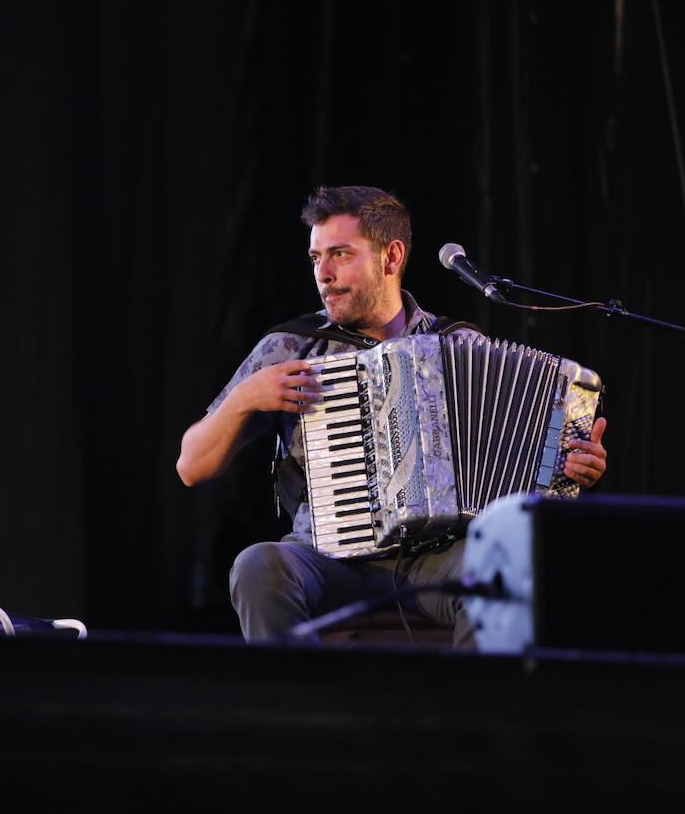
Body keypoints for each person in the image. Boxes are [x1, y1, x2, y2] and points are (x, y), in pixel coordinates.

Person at [176, 185, 607, 646]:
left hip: (438, 556)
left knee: (510, 571)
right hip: (326, 557)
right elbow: (191, 466)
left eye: (340, 254)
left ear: (391, 256)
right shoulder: (291, 347)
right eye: (316, 257)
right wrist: (244, 398)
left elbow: (523, 473)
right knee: (257, 565)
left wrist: (571, 467)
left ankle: (478, 695)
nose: (323, 273)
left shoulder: (458, 344)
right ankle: (297, 694)